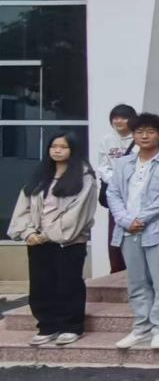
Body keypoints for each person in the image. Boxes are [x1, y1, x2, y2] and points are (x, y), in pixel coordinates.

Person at [8, 131, 97, 346]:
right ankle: (47, 326)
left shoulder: (85, 178)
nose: (57, 150)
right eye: (53, 146)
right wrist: (28, 232)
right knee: (41, 285)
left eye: (63, 147)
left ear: (73, 150)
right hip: (37, 240)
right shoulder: (41, 175)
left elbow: (78, 214)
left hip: (68, 242)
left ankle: (71, 327)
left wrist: (47, 235)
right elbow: (23, 206)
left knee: (68, 284)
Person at [107, 113, 159, 351]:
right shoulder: (123, 163)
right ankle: (141, 328)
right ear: (133, 135)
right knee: (137, 282)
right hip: (128, 230)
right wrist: (125, 219)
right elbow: (113, 193)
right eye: (139, 132)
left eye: (150, 131)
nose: (144, 136)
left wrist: (141, 219)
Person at [96, 103, 136, 273]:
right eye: (115, 118)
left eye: (123, 118)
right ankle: (117, 272)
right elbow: (103, 165)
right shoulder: (107, 139)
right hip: (115, 193)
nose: (118, 121)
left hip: (135, 192)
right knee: (114, 235)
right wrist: (114, 181)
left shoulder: (139, 137)